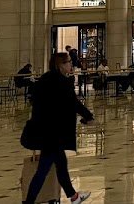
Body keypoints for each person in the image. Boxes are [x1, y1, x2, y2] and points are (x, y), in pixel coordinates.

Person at [21, 52, 94, 204]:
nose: (71, 65)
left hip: (44, 131)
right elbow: (74, 103)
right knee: (43, 171)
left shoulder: (44, 80)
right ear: (61, 65)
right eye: (68, 62)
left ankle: (74, 197)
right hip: (53, 134)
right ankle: (28, 202)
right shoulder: (62, 82)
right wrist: (88, 116)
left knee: (61, 165)